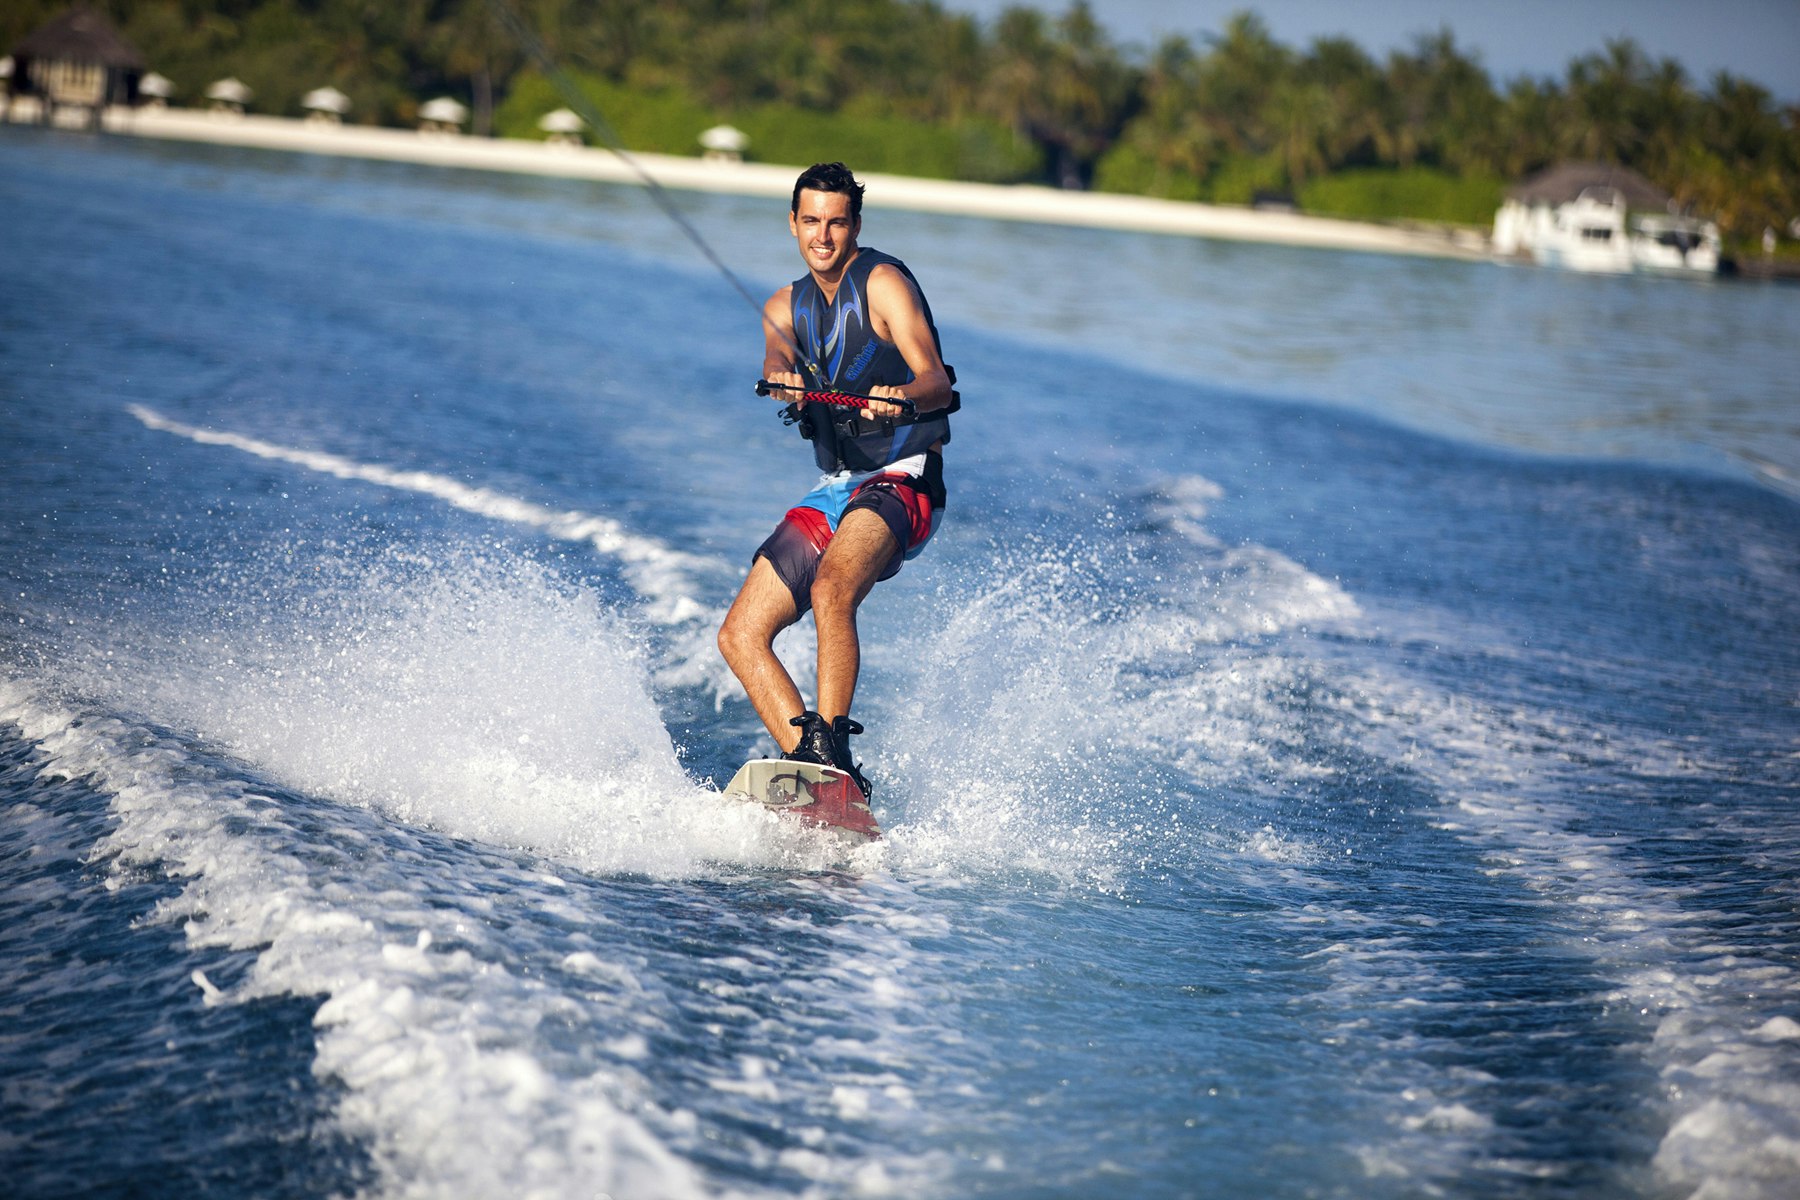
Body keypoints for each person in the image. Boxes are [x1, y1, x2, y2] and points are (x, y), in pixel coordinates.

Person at [717, 162, 956, 798]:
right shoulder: (781, 305)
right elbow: (775, 358)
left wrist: (901, 394)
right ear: (793, 223)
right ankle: (818, 771)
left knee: (831, 588)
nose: (823, 236)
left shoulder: (883, 284)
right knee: (739, 634)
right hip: (840, 485)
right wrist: (785, 379)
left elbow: (937, 379)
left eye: (837, 223)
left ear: (854, 226)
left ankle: (835, 745)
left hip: (904, 477)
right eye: (811, 221)